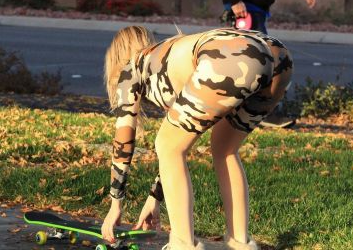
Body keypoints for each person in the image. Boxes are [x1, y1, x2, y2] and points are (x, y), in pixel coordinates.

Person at [100, 26, 293, 250]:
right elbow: (179, 143)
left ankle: (182, 244)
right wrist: (154, 199)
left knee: (167, 145)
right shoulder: (167, 54)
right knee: (224, 150)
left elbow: (123, 141)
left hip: (231, 56)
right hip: (278, 56)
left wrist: (116, 205)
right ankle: (240, 243)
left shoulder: (132, 66)